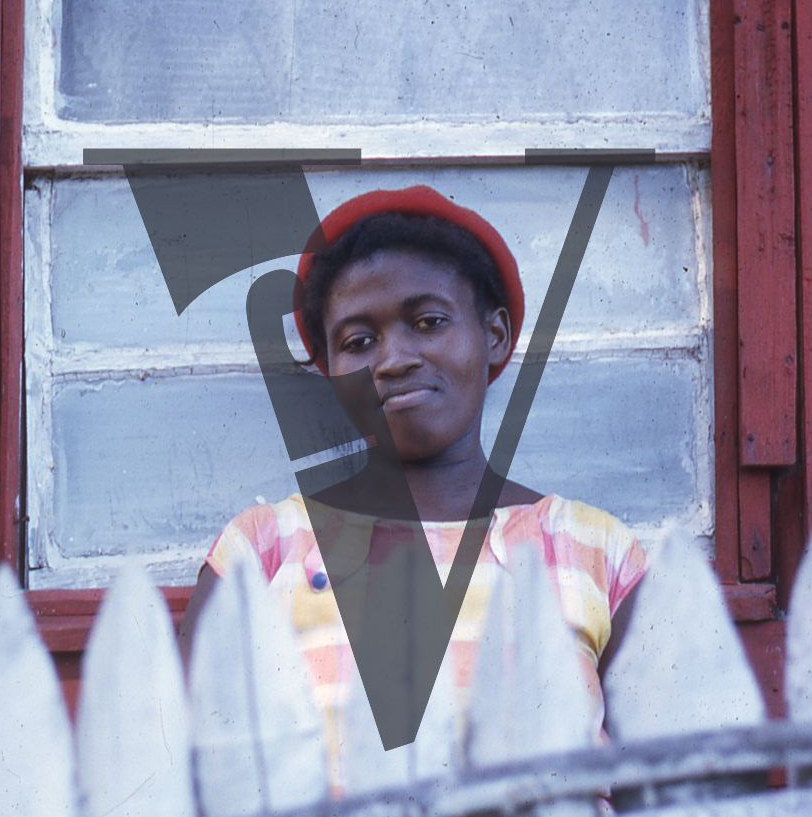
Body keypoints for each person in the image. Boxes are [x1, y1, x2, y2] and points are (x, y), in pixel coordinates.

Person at [181, 185, 648, 762]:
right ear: (330, 369)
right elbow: (189, 779)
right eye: (359, 341)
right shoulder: (260, 553)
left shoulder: (597, 553)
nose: (394, 359)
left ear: (493, 336)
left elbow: (674, 791)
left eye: (428, 322)